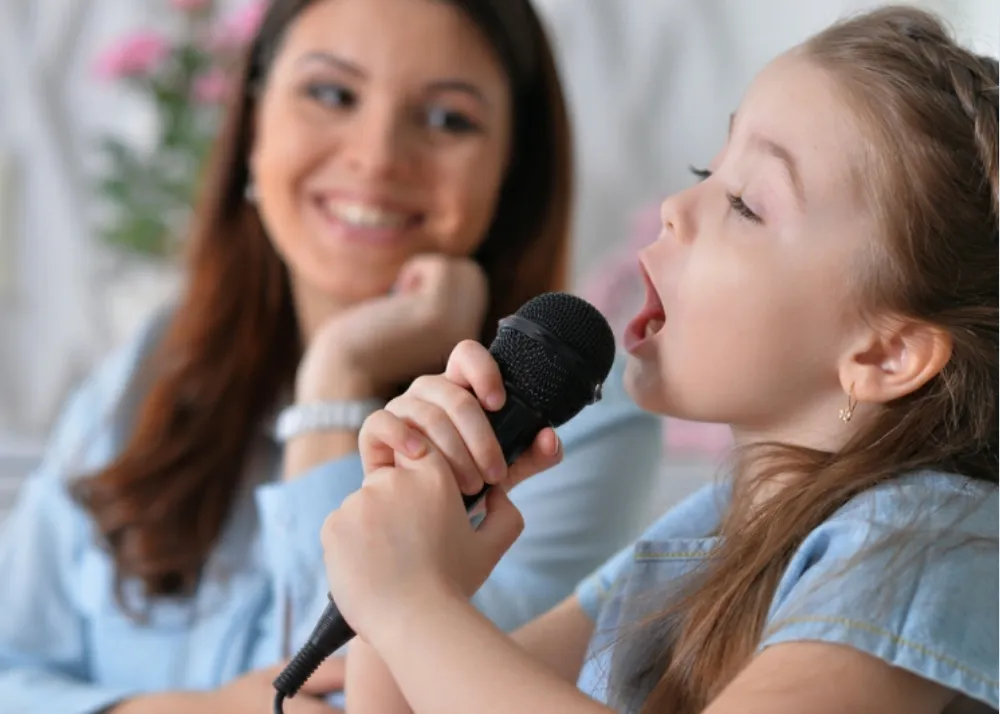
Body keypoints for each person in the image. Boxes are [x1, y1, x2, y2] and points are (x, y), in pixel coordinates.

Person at [322, 6, 999, 714]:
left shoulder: (929, 546)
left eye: (744, 203)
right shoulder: (714, 524)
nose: (676, 205)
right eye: (706, 168)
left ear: (887, 353)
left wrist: (414, 606)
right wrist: (412, 528)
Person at [0, 1, 663, 713]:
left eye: (447, 119)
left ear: (510, 171)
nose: (376, 156)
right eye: (331, 94)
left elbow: (376, 693)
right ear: (253, 123)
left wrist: (335, 382)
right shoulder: (158, 362)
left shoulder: (566, 428)